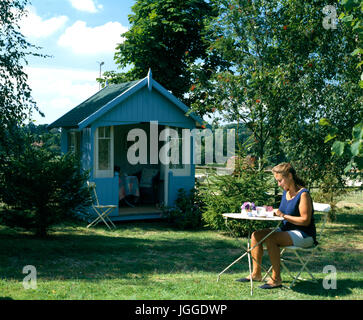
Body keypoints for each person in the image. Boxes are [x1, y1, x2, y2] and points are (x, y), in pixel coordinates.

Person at [237, 162, 317, 289]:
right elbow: (282, 211)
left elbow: (305, 221)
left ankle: (276, 279)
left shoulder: (303, 194)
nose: (279, 184)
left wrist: (283, 216)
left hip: (304, 235)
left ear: (289, 176)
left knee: (272, 238)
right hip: (286, 231)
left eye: (280, 181)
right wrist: (267, 211)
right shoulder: (286, 192)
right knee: (256, 235)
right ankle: (256, 274)